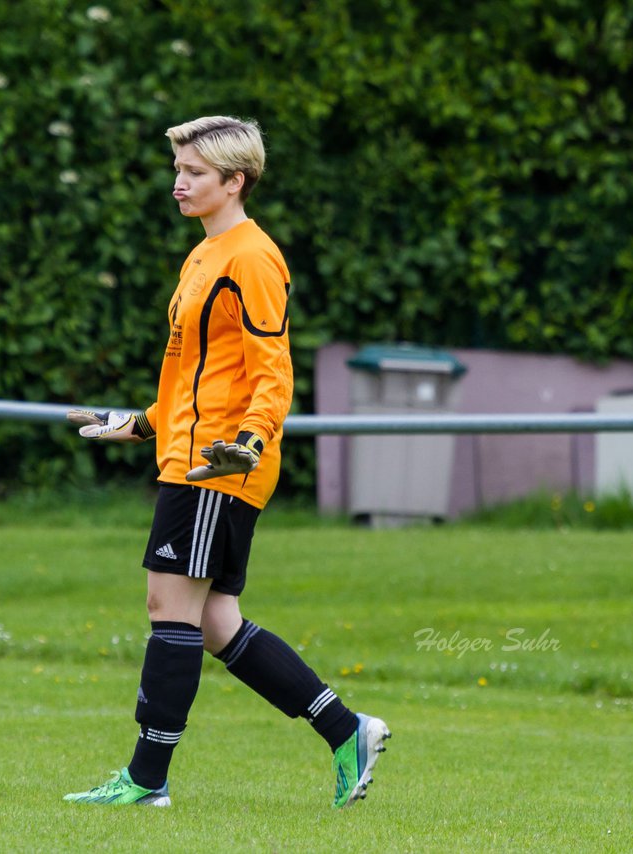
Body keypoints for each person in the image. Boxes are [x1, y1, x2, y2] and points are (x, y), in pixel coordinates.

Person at [63, 116, 389, 809]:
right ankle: (345, 729)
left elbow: (272, 370)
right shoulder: (201, 255)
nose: (179, 183)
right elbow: (186, 367)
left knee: (166, 603)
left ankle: (147, 782)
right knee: (214, 623)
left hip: (220, 464)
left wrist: (249, 441)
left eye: (195, 173)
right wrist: (142, 423)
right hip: (187, 455)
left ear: (235, 182)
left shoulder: (253, 257)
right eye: (177, 169)